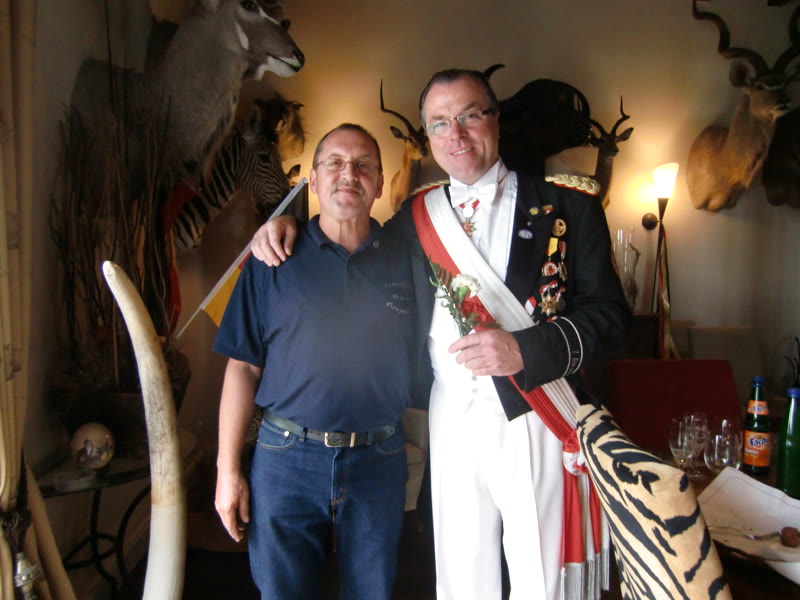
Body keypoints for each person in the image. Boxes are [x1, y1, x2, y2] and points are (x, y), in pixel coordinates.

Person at [251, 70, 631, 600]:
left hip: (534, 409)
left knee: (541, 578)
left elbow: (612, 319)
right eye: (439, 123)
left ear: (495, 120)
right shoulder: (415, 217)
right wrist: (284, 225)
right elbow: (349, 238)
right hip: (450, 416)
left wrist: (525, 348)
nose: (456, 134)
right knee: (459, 576)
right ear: (428, 136)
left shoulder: (571, 207)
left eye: (470, 115)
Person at [213, 123, 424, 600]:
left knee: (372, 593)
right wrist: (228, 470)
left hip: (379, 458)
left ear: (379, 182)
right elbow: (242, 368)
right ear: (312, 180)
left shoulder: (408, 258)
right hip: (285, 458)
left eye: (363, 165)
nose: (349, 174)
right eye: (334, 162)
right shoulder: (271, 258)